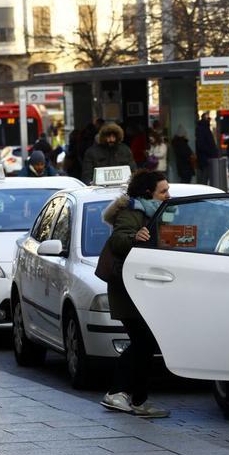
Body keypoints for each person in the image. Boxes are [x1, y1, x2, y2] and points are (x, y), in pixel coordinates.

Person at [99, 170, 171, 418]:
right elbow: (118, 240)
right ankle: (116, 392)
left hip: (145, 288)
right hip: (128, 289)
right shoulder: (132, 212)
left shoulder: (159, 213)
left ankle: (138, 400)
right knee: (143, 342)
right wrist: (134, 236)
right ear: (148, 192)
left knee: (146, 344)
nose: (168, 195)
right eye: (163, 191)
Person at [195, 112, 219, 185]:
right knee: (204, 177)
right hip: (205, 158)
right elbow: (202, 145)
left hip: (205, 158)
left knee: (205, 177)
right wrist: (211, 152)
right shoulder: (203, 129)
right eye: (208, 118)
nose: (209, 120)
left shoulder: (202, 129)